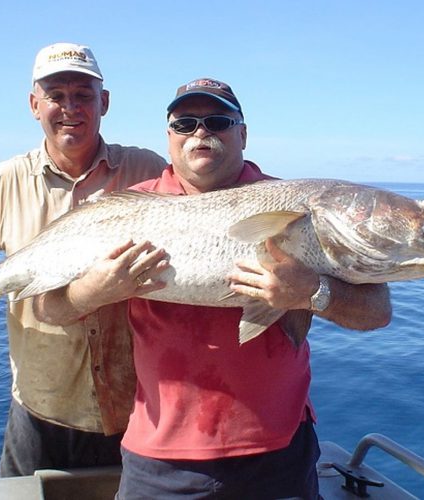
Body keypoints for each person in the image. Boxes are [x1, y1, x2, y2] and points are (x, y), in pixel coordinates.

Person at [34, 77, 392, 499]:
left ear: (243, 133)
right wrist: (95, 291)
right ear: (169, 137)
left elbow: (377, 310)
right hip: (160, 460)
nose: (201, 132)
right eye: (185, 124)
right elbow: (46, 308)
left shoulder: (298, 206)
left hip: (278, 454)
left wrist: (313, 292)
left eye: (218, 121)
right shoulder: (124, 209)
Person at [0, 42, 167, 477]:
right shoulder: (6, 180)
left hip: (140, 412)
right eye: (56, 96)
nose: (70, 108)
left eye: (83, 95)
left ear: (104, 103)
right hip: (40, 410)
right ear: (35, 105)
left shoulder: (147, 169)